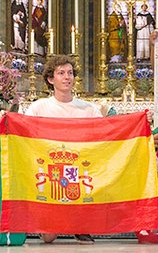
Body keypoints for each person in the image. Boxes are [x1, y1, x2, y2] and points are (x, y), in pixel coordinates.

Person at [25, 54, 100, 243]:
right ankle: (53, 221)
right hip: (51, 167)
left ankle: (80, 225)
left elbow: (104, 135)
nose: (67, 77)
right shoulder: (38, 107)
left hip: (80, 167)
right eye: (61, 73)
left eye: (70, 73)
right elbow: (24, 134)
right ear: (51, 79)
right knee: (49, 238)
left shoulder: (88, 109)